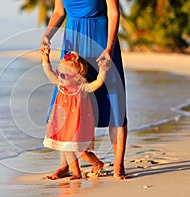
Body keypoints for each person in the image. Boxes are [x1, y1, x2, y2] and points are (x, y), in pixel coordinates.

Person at [39, 0, 128, 180]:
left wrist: (109, 48)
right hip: (74, 39)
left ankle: (119, 166)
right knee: (65, 98)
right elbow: (58, 12)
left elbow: (114, 13)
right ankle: (65, 166)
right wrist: (47, 35)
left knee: (113, 102)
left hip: (101, 39)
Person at [41, 50, 109, 180]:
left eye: (63, 75)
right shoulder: (60, 85)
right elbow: (48, 72)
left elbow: (98, 83)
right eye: (58, 73)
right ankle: (76, 173)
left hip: (77, 126)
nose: (59, 77)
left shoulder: (81, 88)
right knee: (67, 149)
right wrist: (45, 57)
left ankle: (97, 163)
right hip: (63, 125)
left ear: (77, 77)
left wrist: (103, 70)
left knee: (81, 152)